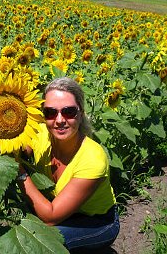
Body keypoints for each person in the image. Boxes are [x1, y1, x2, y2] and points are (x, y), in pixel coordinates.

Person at [17, 77, 120, 252]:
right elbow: (18, 148)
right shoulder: (41, 133)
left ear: (81, 113)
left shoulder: (93, 158)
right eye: (50, 112)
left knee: (41, 242)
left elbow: (50, 217)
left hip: (96, 222)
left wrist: (18, 171)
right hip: (57, 212)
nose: (59, 120)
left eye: (68, 112)